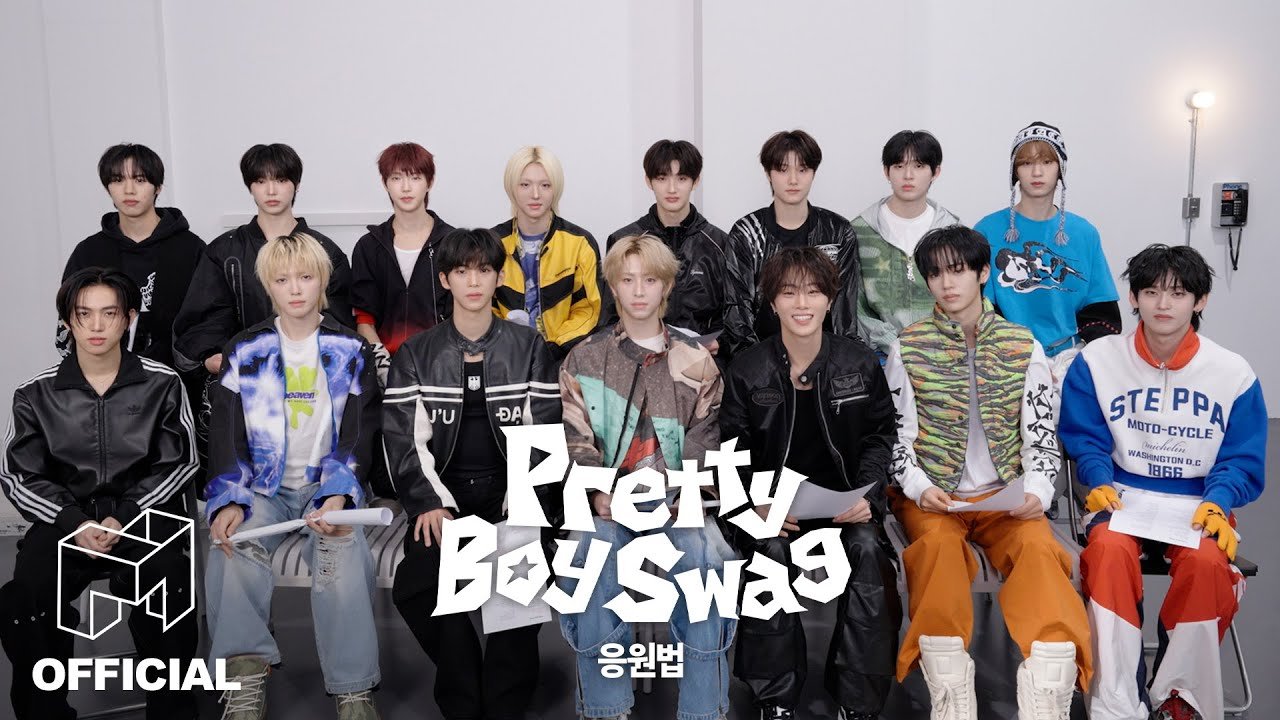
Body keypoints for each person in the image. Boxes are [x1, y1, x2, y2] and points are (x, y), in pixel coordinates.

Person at [885, 225, 1091, 720]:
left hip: (1007, 496)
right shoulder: (908, 347)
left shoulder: (1022, 345)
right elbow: (895, 438)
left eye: (958, 270)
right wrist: (919, 486)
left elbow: (1040, 431)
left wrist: (1038, 489)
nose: (946, 284)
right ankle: (951, 699)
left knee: (1040, 552)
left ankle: (1048, 698)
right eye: (935, 274)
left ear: (982, 273)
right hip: (935, 498)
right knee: (936, 551)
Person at [1059, 244, 1267, 720]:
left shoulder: (1232, 373)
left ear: (1200, 300)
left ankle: (1180, 697)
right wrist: (1097, 479)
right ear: (1133, 298)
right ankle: (1115, 699)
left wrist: (1219, 500)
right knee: (1106, 553)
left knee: (1208, 564)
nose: (1163, 304)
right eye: (1151, 292)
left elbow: (1241, 458)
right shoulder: (1096, 361)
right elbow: (1085, 438)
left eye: (1177, 293)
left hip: (1197, 502)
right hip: (1122, 497)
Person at [1, 267, 199, 719]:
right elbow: (18, 475)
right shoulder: (35, 393)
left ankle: (171, 710)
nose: (96, 325)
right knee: (25, 597)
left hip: (142, 518)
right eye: (83, 314)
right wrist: (76, 523)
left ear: (128, 318)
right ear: (67, 321)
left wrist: (124, 514)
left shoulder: (163, 382)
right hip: (66, 521)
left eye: (109, 313)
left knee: (170, 582)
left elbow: (179, 462)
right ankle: (44, 712)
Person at [384, 228, 561, 720]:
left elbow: (544, 433)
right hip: (446, 496)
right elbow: (402, 439)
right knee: (420, 581)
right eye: (462, 271)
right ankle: (463, 692)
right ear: (445, 280)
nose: (474, 282)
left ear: (499, 277)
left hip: (513, 492)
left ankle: (505, 703)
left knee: (520, 571)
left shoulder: (529, 346)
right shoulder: (416, 353)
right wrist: (429, 502)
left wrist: (524, 503)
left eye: (484, 270)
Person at [203, 232, 380, 720]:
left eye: (305, 277)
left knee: (340, 548)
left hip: (326, 487)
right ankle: (243, 677)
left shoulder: (350, 348)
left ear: (323, 281)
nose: (296, 289)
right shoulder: (245, 348)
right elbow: (227, 435)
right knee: (232, 545)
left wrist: (339, 494)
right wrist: (230, 499)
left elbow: (360, 433)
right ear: (269, 286)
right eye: (283, 280)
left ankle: (353, 690)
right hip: (263, 488)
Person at [558, 234, 735, 720]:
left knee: (704, 563)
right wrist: (599, 493)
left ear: (667, 287)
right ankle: (606, 708)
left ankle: (702, 711)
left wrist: (682, 497)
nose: (639, 291)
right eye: (628, 280)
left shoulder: (696, 359)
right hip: (609, 507)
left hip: (679, 505)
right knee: (590, 558)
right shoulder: (584, 359)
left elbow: (706, 438)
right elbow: (576, 440)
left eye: (650, 280)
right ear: (613, 286)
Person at [720, 246, 900, 720]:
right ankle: (776, 698)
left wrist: (869, 497)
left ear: (830, 299)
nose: (802, 303)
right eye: (789, 292)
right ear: (772, 302)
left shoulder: (859, 363)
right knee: (769, 554)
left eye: (814, 292)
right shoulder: (747, 370)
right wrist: (755, 506)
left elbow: (881, 437)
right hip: (774, 513)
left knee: (868, 552)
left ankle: (858, 702)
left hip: (844, 511)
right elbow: (730, 453)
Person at [172, 142, 354, 384]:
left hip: (311, 377)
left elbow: (339, 321)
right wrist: (212, 356)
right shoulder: (224, 251)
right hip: (242, 377)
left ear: (296, 184)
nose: (271, 191)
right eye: (260, 181)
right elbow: (205, 318)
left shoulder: (324, 251)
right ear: (250, 187)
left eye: (281, 180)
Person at [973, 122, 1121, 386]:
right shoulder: (987, 231)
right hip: (1007, 362)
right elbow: (980, 311)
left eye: (1047, 161)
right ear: (1015, 171)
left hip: (1071, 361)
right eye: (1026, 163)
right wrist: (1023, 360)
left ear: (1060, 168)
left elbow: (1101, 313)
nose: (1037, 172)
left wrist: (1082, 365)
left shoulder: (1084, 233)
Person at [57, 143, 206, 370]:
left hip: (179, 379)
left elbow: (208, 321)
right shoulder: (88, 252)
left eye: (140, 180)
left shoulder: (191, 248)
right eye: (118, 180)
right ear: (108, 187)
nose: (129, 190)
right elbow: (68, 324)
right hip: (105, 378)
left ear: (158, 187)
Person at [723, 129, 861, 357]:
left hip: (825, 357)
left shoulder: (838, 231)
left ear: (814, 173)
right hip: (762, 357)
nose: (793, 180)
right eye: (782, 169)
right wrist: (755, 365)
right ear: (768, 173)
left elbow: (844, 312)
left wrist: (839, 363)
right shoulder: (746, 233)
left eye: (802, 169)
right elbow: (737, 313)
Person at [605, 139, 730, 349]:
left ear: (695, 181)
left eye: (682, 178)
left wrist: (720, 342)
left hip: (703, 358)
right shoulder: (623, 241)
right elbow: (609, 315)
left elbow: (733, 315)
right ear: (648, 181)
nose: (672, 189)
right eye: (662, 178)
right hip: (637, 357)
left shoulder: (720, 244)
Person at [853, 130, 961, 357]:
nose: (908, 175)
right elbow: (855, 304)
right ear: (886, 171)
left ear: (936, 172)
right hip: (880, 355)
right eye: (899, 166)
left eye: (919, 166)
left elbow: (966, 299)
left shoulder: (954, 231)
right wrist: (892, 344)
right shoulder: (860, 231)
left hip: (945, 353)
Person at [491, 145, 604, 359]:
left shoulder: (580, 243)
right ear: (511, 188)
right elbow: (484, 305)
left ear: (556, 189)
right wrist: (505, 342)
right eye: (525, 185)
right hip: (503, 357)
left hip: (564, 358)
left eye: (545, 185)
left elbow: (589, 309)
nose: (535, 194)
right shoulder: (493, 243)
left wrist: (553, 348)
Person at [350, 141, 456, 366]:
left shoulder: (453, 243)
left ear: (430, 182)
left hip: (442, 365)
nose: (406, 188)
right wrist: (383, 367)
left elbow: (462, 314)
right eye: (396, 178)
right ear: (385, 183)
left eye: (415, 178)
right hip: (384, 366)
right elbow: (364, 319)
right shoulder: (369, 247)